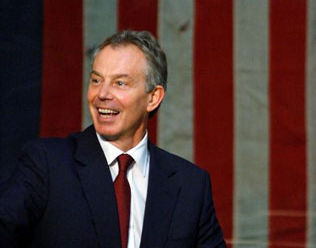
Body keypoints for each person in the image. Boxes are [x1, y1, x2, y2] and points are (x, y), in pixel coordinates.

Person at [0, 30, 226, 248]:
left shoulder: (190, 186)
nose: (102, 94)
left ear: (153, 98)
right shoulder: (46, 164)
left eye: (120, 83)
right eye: (97, 80)